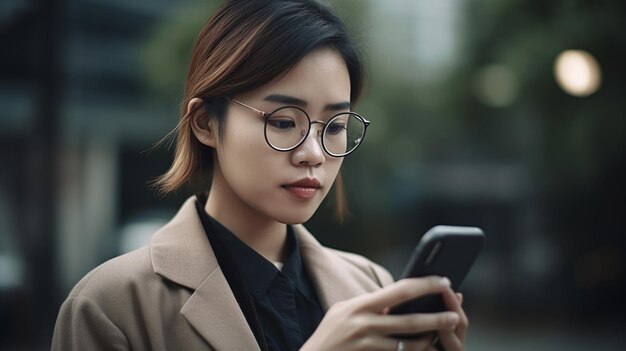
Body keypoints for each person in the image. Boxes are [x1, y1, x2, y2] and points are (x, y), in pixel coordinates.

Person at [52, 0, 468, 350]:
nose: (313, 154)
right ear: (205, 123)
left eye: (335, 126)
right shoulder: (111, 304)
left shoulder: (373, 287)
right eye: (284, 122)